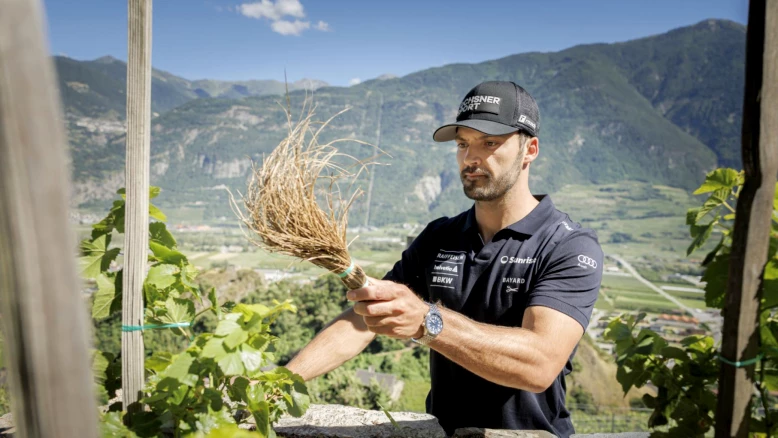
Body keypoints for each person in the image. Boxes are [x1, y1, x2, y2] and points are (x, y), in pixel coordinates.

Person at [287, 81, 603, 438]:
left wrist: (427, 321)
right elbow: (365, 319)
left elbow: (539, 363)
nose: (471, 158)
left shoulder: (568, 246)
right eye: (463, 144)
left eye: (490, 143)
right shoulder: (439, 236)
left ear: (529, 149)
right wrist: (280, 381)